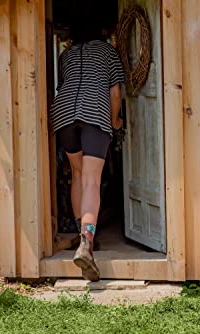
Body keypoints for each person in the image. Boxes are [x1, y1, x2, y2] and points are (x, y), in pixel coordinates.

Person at [50, 17, 125, 281]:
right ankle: (87, 243)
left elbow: (63, 87)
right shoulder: (108, 51)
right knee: (92, 180)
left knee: (78, 175)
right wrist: (115, 120)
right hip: (94, 112)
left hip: (63, 114)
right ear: (102, 31)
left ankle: (80, 234)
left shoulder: (66, 53)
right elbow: (114, 93)